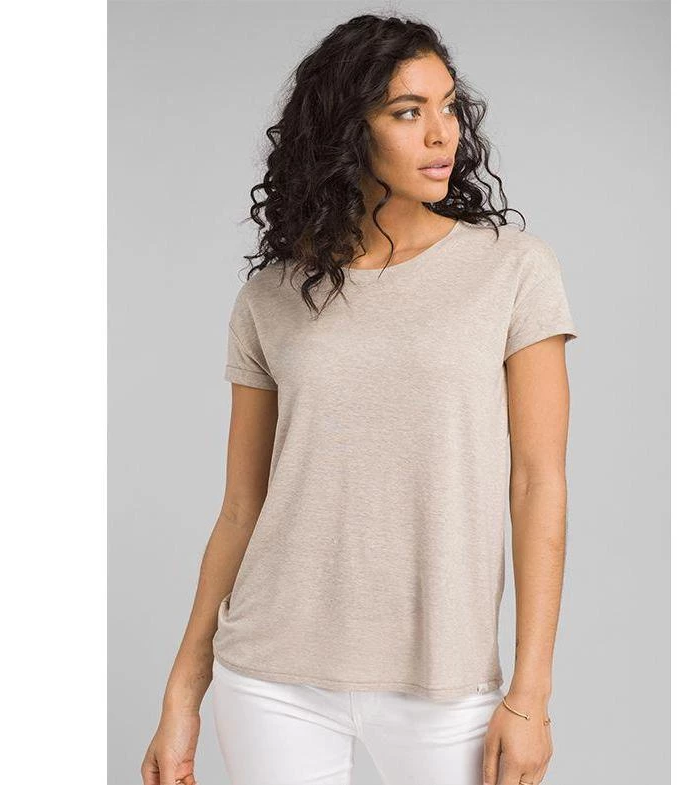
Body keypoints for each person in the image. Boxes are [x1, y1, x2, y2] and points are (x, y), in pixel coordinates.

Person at [141, 13, 578, 785]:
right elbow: (242, 506)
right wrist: (183, 691)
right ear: (347, 130)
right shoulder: (271, 295)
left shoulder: (511, 269)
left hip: (444, 676)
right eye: (407, 112)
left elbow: (536, 482)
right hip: (270, 671)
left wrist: (530, 692)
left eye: (448, 106)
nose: (441, 134)